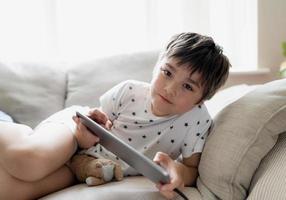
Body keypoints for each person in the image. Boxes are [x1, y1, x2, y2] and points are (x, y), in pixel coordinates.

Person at [0, 32, 230, 199]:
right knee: (27, 161)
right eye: (167, 73)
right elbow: (95, 122)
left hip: (84, 166)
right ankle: (13, 128)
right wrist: (85, 132)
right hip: (71, 131)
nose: (170, 89)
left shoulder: (197, 120)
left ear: (201, 98)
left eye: (187, 87)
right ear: (157, 66)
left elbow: (191, 168)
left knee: (6, 190)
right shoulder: (129, 91)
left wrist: (178, 171)